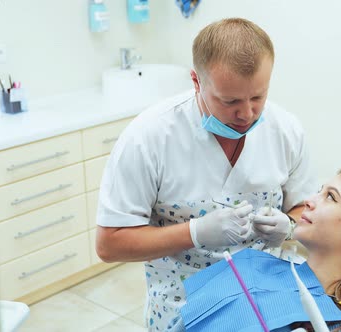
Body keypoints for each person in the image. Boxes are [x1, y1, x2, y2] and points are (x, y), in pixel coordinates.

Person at [95, 17, 316, 331]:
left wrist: (289, 225)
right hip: (183, 311)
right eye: (230, 101)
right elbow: (109, 244)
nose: (247, 114)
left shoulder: (286, 130)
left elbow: (306, 206)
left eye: (258, 97)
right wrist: (194, 233)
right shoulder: (149, 138)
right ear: (196, 81)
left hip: (266, 302)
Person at [176, 166, 341, 332]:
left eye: (330, 197)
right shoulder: (260, 265)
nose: (309, 201)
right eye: (319, 191)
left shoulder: (330, 324)